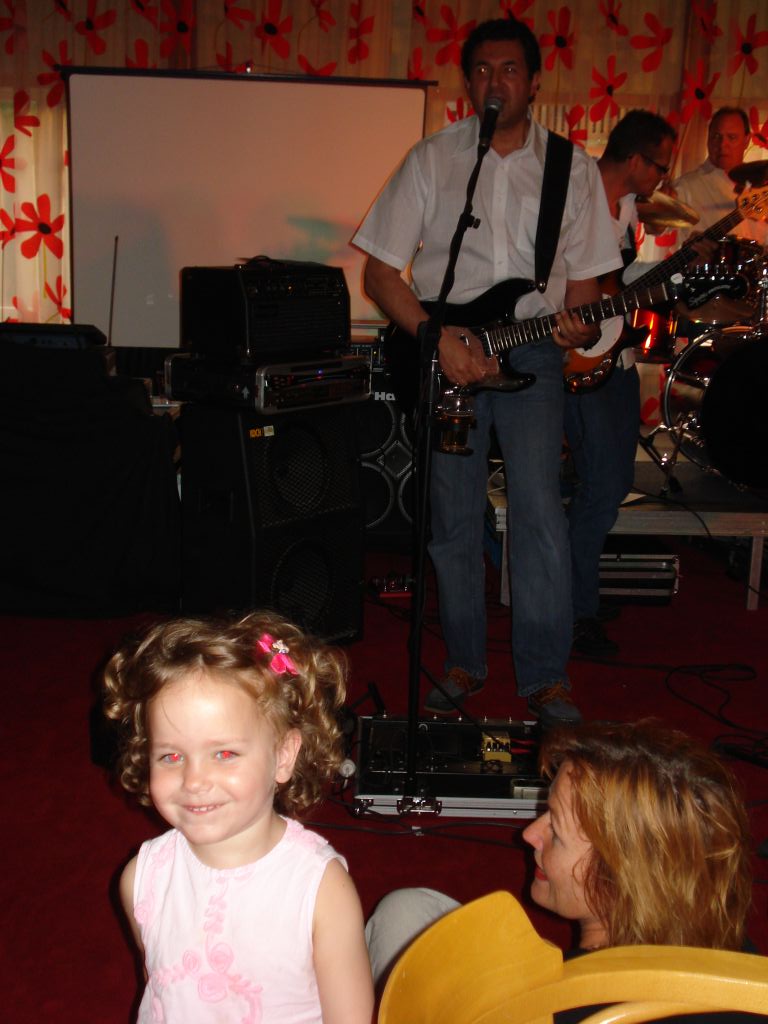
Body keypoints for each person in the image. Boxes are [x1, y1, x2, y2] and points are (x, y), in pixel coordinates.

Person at [352, 17, 622, 726]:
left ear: (533, 82)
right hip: (447, 351)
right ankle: (464, 663)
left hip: (531, 349)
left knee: (539, 514)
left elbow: (585, 285)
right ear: (468, 83)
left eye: (508, 69)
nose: (494, 81)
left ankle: (545, 677)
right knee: (451, 519)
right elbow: (380, 273)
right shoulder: (433, 159)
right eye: (481, 70)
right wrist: (435, 338)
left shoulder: (572, 168)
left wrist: (577, 324)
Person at [366, 719, 759, 1024]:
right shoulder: (740, 961)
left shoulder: (554, 1004)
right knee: (409, 908)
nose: (529, 834)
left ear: (619, 879)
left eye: (555, 830)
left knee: (402, 918)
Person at [103, 610, 374, 1024]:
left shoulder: (320, 890)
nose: (194, 780)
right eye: (171, 756)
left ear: (283, 755)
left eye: (224, 753)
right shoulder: (142, 878)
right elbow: (160, 991)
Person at [566, 111, 677, 657]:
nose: (663, 176)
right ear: (633, 160)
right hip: (582, 360)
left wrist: (673, 272)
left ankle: (579, 588)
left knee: (611, 485)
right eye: (659, 165)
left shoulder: (629, 207)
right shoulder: (576, 194)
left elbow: (619, 282)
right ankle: (576, 610)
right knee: (600, 485)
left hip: (620, 358)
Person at [674, 106, 768, 247]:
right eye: (717, 137)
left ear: (747, 140)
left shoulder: (761, 186)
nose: (723, 144)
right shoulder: (685, 186)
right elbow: (656, 227)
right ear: (708, 139)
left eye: (732, 137)